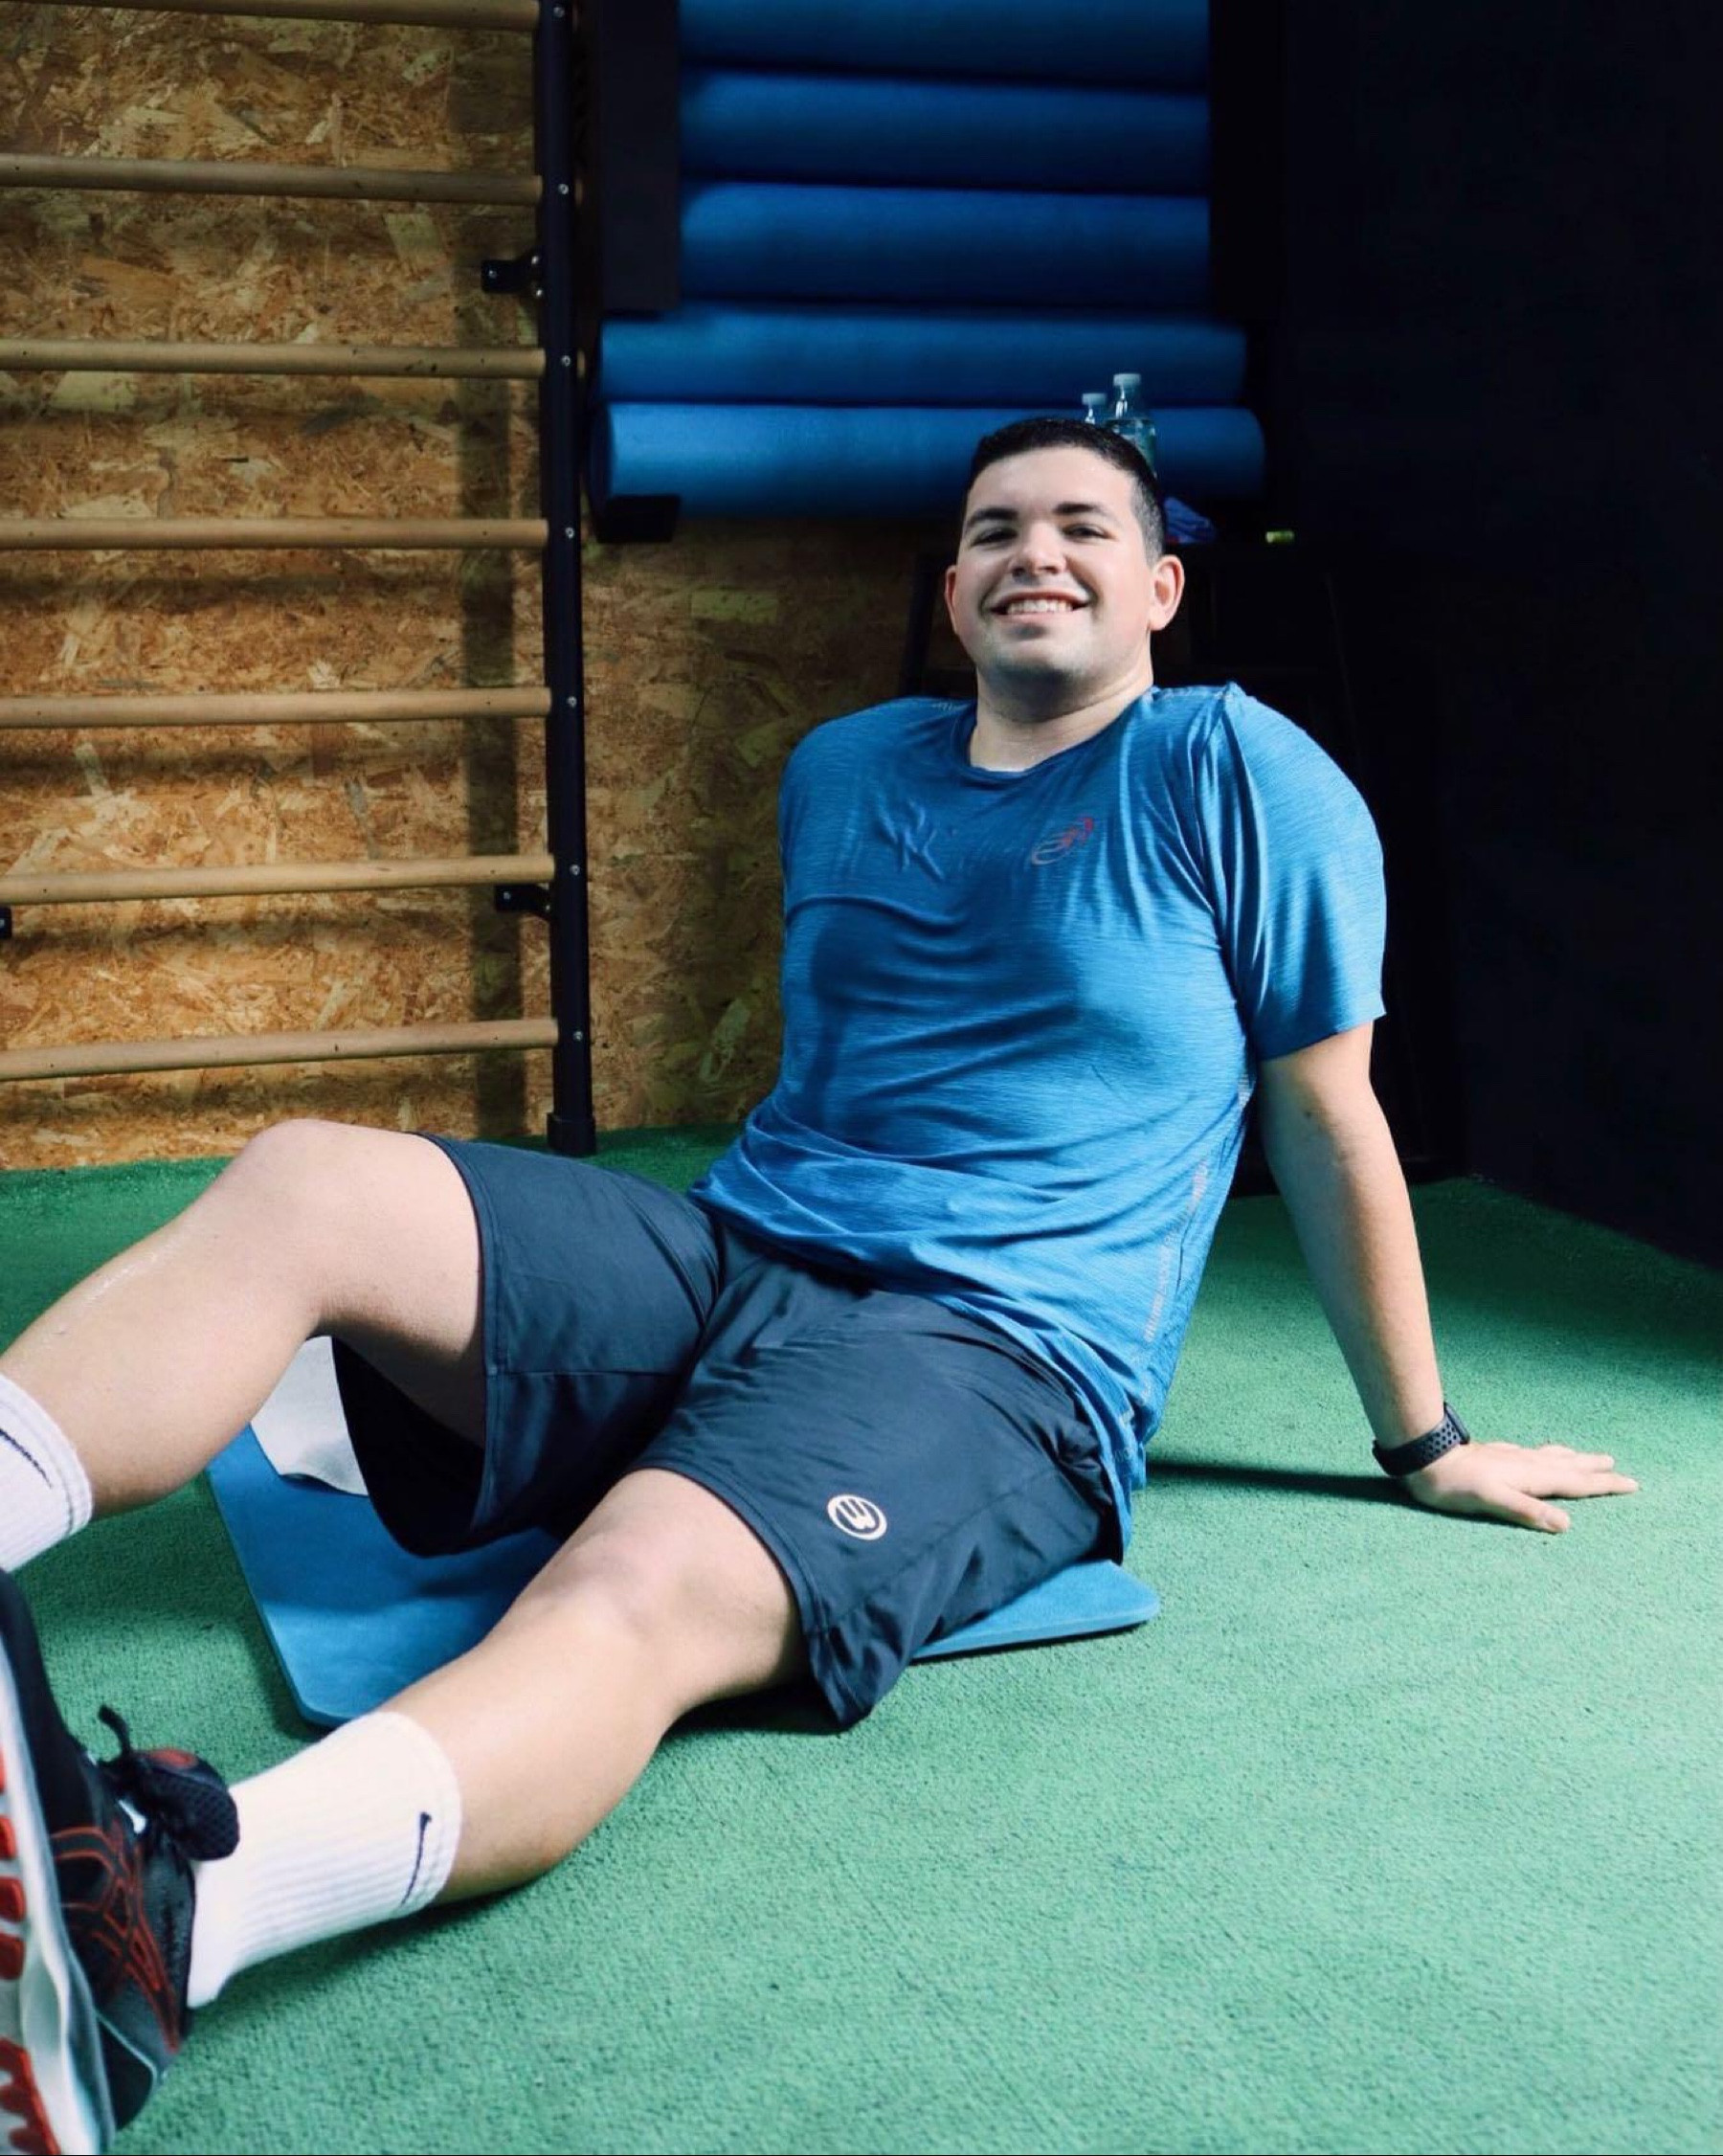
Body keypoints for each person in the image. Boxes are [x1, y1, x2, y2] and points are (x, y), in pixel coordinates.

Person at [0, 417, 1639, 2152]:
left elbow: (1326, 1113)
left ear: (1163, 588)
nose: (1033, 552)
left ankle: (175, 1919)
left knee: (630, 1577)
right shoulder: (846, 767)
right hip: (737, 1255)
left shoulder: (1239, 771)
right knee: (310, 1181)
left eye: (1082, 526)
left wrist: (1422, 1441)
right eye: (994, 529)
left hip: (1000, 1353)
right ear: (953, 587)